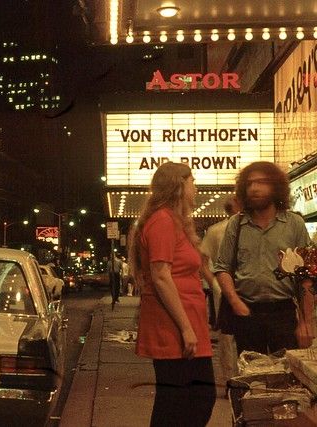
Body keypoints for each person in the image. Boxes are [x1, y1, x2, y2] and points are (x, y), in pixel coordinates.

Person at [129, 162, 215, 427]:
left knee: (190, 399)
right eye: (192, 181)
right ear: (179, 185)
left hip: (186, 324)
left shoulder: (175, 221)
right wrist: (186, 328)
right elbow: (161, 275)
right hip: (174, 327)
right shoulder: (162, 221)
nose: (196, 186)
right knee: (181, 400)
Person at [214, 161, 314, 355]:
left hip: (283, 313)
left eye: (261, 182)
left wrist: (306, 322)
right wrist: (235, 302)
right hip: (247, 313)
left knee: (286, 376)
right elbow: (222, 268)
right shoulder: (237, 224)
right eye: (250, 183)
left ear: (276, 186)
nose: (254, 188)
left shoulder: (294, 224)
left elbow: (306, 276)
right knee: (251, 377)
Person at [200, 198, 240, 383]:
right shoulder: (218, 230)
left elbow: (203, 261)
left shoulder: (215, 230)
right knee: (229, 335)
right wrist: (214, 283)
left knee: (227, 336)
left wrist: (214, 282)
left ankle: (231, 378)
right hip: (227, 286)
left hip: (223, 287)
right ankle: (235, 378)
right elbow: (203, 261)